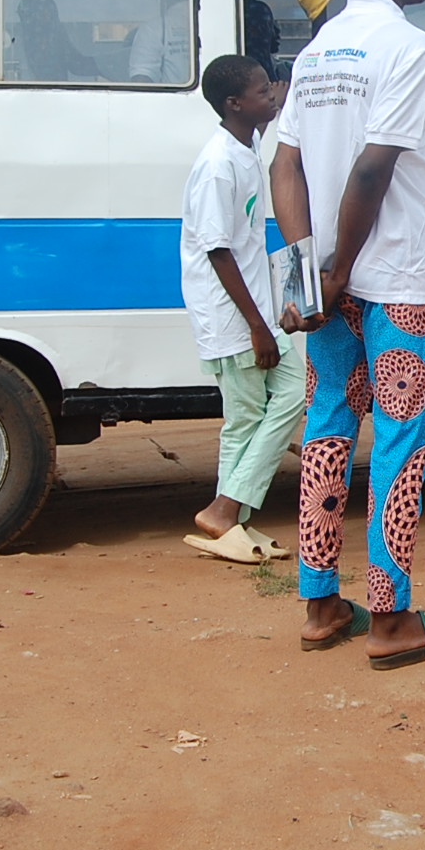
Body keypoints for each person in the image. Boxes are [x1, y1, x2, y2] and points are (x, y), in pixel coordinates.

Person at [269, 0, 425, 669]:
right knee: (401, 441)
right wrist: (343, 265)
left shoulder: (317, 51)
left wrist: (309, 273)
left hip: (331, 282)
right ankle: (391, 619)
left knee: (328, 428)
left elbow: (284, 165)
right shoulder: (408, 47)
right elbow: (375, 166)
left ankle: (321, 604)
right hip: (394, 279)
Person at [181, 54, 304, 563]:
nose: (271, 96)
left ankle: (230, 520)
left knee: (266, 407)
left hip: (252, 312)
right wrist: (258, 326)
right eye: (261, 91)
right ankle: (224, 512)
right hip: (233, 318)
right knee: (259, 411)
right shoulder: (217, 165)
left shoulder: (245, 143)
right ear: (233, 104)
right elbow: (217, 249)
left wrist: (279, 104)